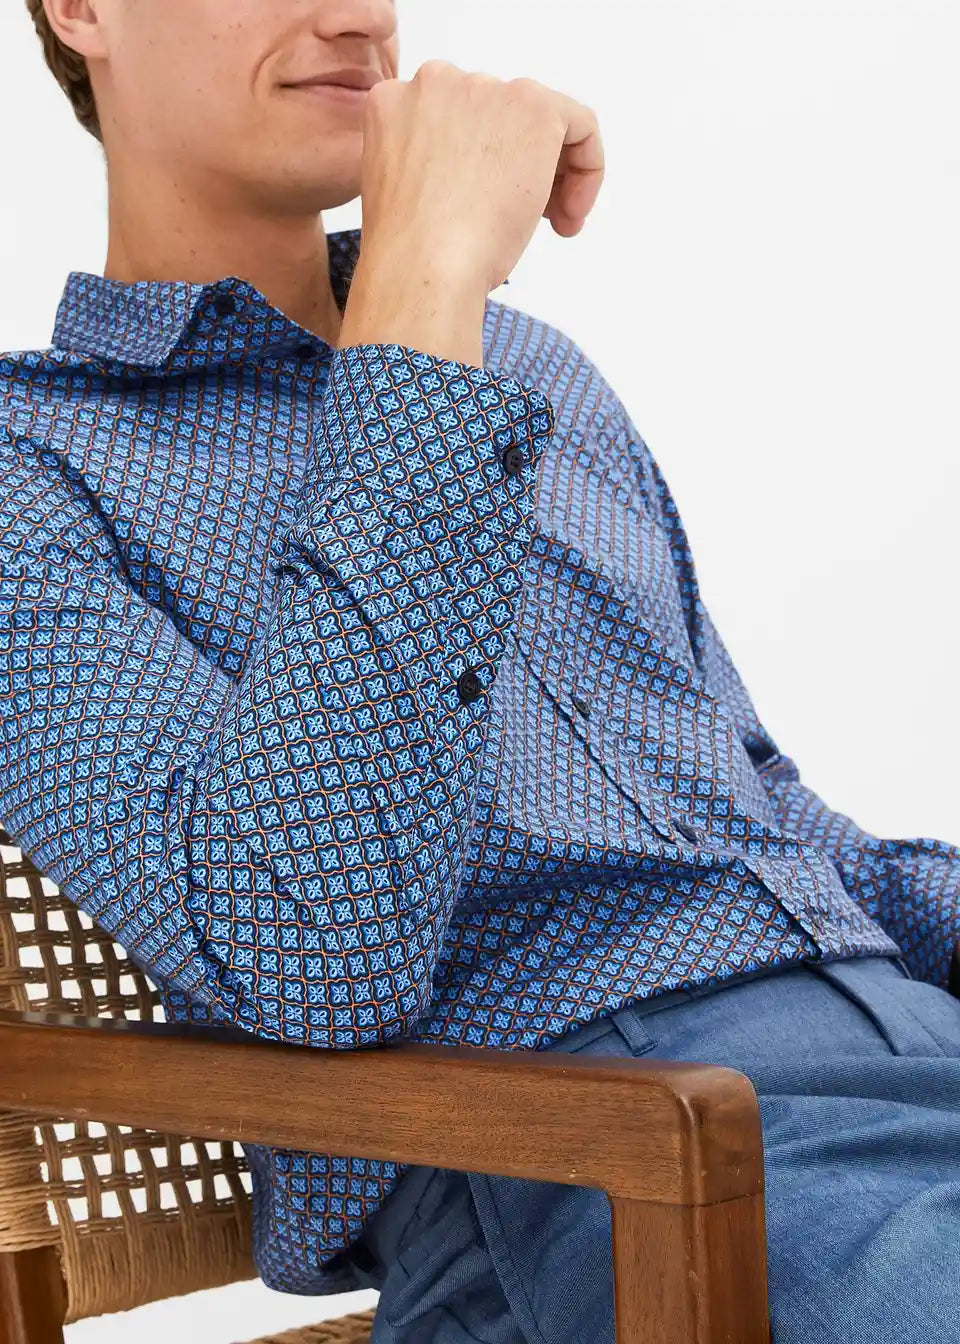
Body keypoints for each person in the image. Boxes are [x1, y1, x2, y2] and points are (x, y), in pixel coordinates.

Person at [2, 3, 958, 1341]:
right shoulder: (34, 476)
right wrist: (425, 289)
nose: (359, 15)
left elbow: (757, 810)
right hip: (607, 1163)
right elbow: (314, 952)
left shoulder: (535, 370)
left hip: (908, 1053)